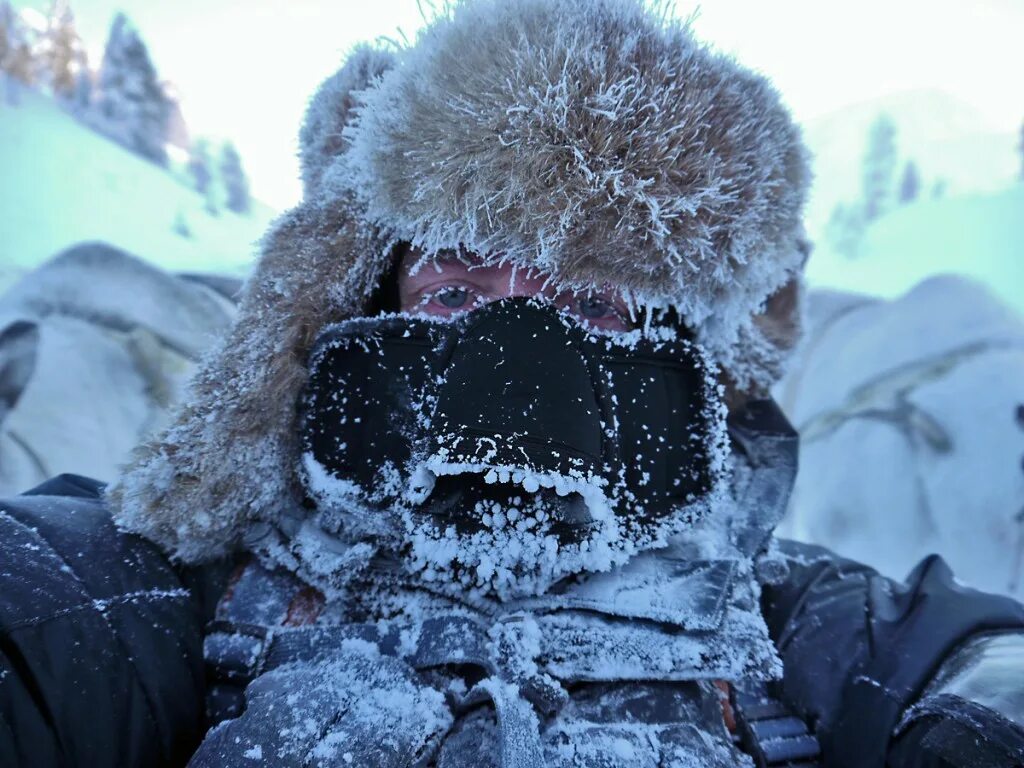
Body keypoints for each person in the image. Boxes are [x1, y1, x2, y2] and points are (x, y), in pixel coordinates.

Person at [2, 1, 1023, 766]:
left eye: (587, 306)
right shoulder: (187, 591)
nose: (516, 359)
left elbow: (971, 659)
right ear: (360, 310)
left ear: (689, 361)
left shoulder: (790, 623)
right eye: (454, 291)